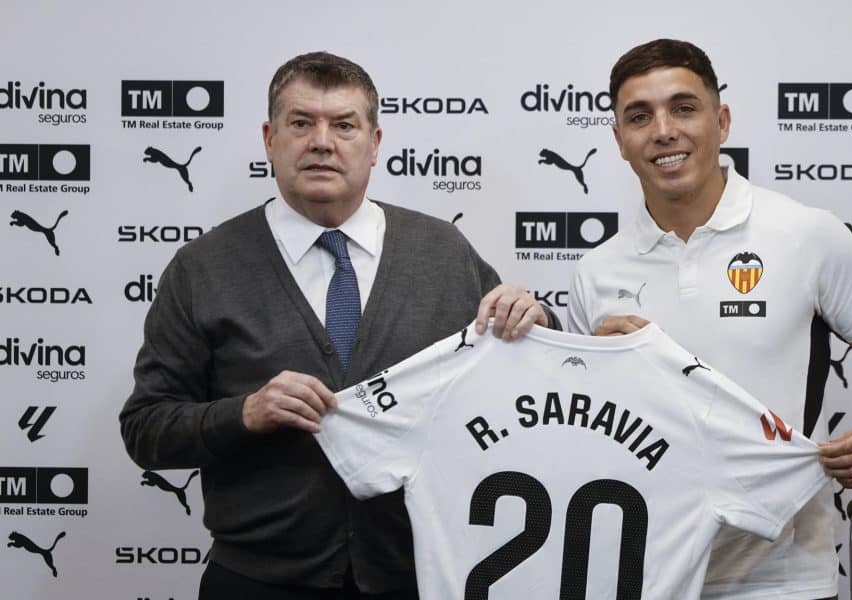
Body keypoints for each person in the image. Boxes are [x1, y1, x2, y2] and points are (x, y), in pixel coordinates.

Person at [120, 51, 556, 600]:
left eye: (344, 125)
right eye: (301, 123)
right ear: (268, 138)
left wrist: (539, 320)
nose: (322, 142)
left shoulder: (442, 253)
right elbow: (146, 429)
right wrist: (245, 413)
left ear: (374, 145)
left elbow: (530, 380)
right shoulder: (203, 267)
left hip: (417, 577)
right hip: (258, 582)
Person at [567, 39, 852, 599]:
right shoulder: (595, 271)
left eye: (684, 108)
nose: (663, 130)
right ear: (618, 140)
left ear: (723, 120)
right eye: (639, 116)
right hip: (638, 573)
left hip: (779, 580)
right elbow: (574, 427)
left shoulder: (805, 234)